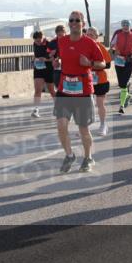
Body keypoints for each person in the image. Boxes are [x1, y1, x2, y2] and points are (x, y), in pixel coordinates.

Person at [53, 10, 106, 173]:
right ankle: (69, 155)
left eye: (77, 20)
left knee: (83, 128)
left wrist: (89, 62)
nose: (74, 23)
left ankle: (88, 157)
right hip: (64, 88)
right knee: (61, 125)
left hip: (83, 89)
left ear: (83, 24)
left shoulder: (90, 43)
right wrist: (57, 62)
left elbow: (102, 63)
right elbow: (59, 56)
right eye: (71, 20)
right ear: (68, 23)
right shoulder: (61, 41)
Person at [86, 27, 113, 136]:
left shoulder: (100, 47)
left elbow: (108, 64)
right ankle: (86, 127)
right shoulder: (83, 47)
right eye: (88, 34)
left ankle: (103, 125)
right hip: (87, 79)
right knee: (87, 104)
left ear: (97, 37)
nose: (89, 36)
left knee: (99, 103)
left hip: (100, 79)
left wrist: (93, 64)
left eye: (92, 34)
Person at [110, 20, 132, 114]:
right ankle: (127, 92)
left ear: (130, 26)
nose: (125, 26)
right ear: (122, 26)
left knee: (123, 84)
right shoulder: (118, 34)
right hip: (119, 60)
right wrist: (114, 50)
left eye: (127, 25)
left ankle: (121, 106)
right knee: (121, 83)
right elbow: (111, 45)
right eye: (124, 25)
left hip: (129, 60)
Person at [31, 30, 56, 118]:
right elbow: (36, 54)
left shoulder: (49, 44)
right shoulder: (34, 44)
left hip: (49, 69)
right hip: (38, 69)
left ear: (43, 38)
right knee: (38, 90)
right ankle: (36, 109)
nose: (37, 42)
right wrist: (34, 59)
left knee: (51, 91)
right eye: (36, 41)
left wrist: (45, 59)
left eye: (39, 40)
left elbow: (54, 58)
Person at [48, 24, 66, 91]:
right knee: (58, 86)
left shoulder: (69, 41)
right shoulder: (52, 43)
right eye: (59, 34)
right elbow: (47, 55)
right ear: (56, 33)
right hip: (56, 69)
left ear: (65, 33)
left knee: (66, 89)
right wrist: (51, 56)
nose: (61, 36)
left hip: (67, 68)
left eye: (62, 34)